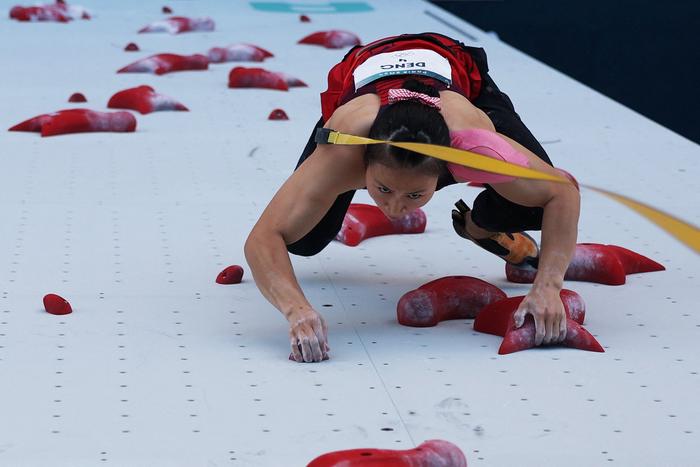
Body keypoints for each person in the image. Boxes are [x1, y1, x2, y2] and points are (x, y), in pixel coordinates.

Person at [244, 32, 580, 363]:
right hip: (370, 86)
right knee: (303, 240)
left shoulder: (474, 149)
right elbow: (262, 240)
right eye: (384, 189)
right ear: (364, 168)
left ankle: (479, 226)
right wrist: (296, 310)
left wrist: (548, 286)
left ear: (448, 169)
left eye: (415, 194)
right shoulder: (342, 154)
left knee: (534, 207)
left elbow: (563, 192)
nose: (394, 209)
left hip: (452, 73)